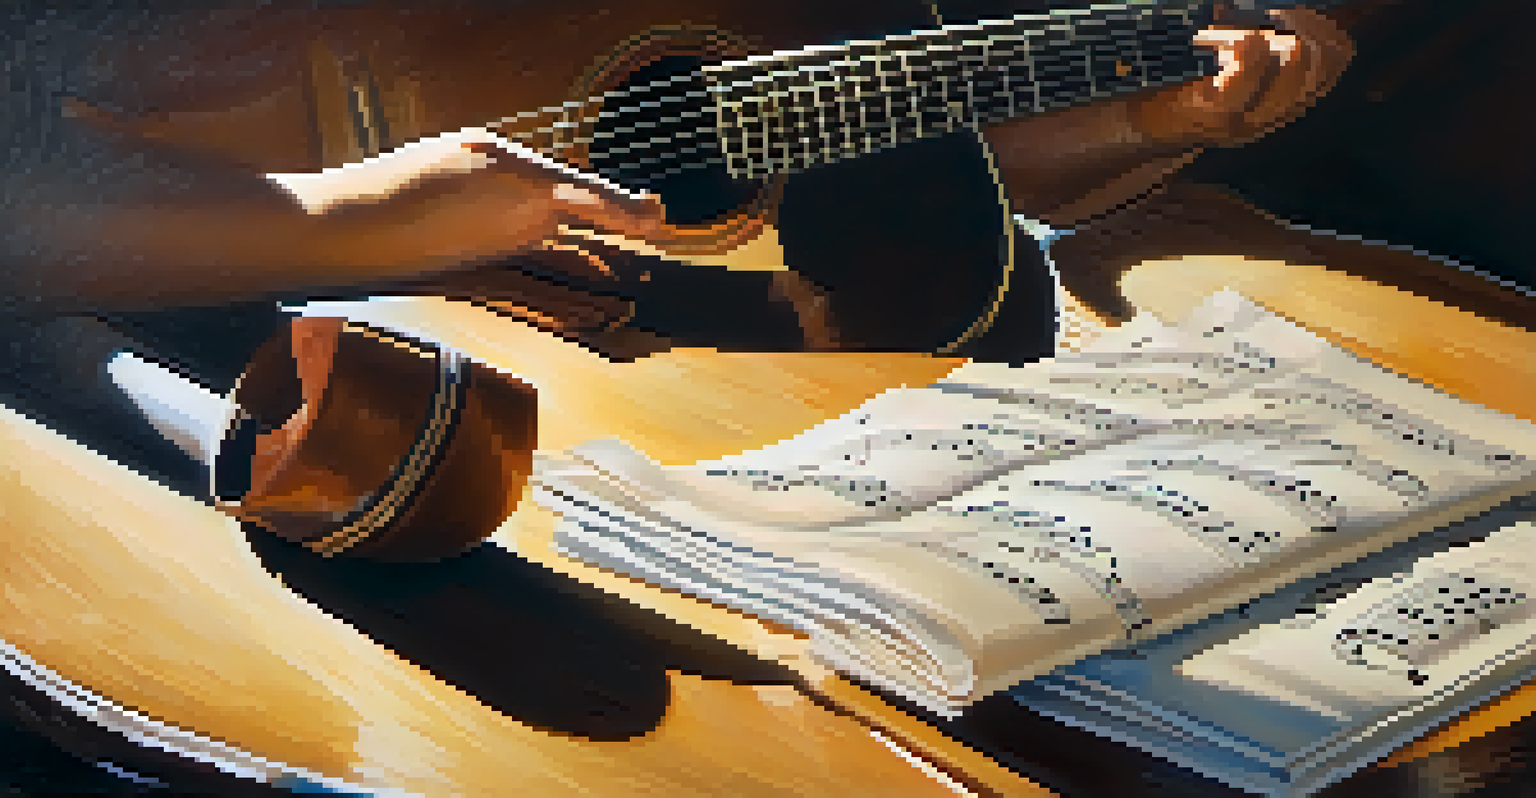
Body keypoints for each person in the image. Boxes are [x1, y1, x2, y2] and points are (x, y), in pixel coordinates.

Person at [0, 0, 1351, 492]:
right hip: (192, 385)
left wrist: (1148, 114)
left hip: (653, 394)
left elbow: (847, 135)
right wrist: (361, 217)